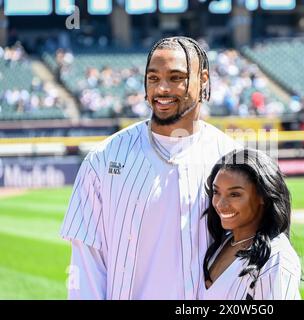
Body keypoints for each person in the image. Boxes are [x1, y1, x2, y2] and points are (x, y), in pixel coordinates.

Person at [60, 36, 239, 299]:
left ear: (203, 80)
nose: (162, 89)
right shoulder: (103, 160)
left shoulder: (233, 160)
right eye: (153, 78)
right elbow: (87, 266)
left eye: (175, 77)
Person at [199, 149, 302, 300]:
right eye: (216, 192)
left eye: (234, 194)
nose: (220, 204)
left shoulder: (276, 257)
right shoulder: (223, 242)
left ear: (263, 196)